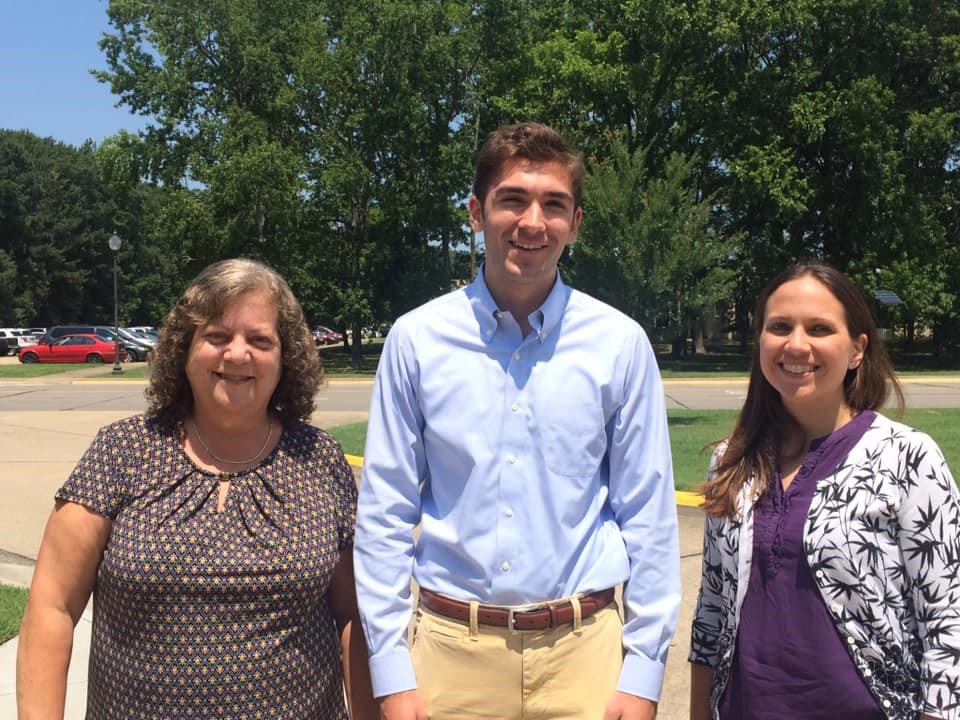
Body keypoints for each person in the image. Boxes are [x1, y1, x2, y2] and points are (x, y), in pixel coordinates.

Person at [354, 122, 681, 720]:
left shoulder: (619, 344)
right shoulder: (418, 340)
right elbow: (385, 513)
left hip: (585, 653)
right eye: (513, 200)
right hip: (452, 654)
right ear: (477, 213)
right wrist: (391, 672)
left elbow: (649, 515)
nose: (533, 222)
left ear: (575, 224)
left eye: (554, 205)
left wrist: (643, 674)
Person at [17, 258, 377, 720]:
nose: (237, 354)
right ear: (183, 350)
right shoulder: (121, 451)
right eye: (217, 336)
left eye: (260, 340)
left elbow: (352, 616)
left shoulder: (319, 460)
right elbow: (53, 608)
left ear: (286, 357)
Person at [689, 262, 960, 720]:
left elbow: (947, 623)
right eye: (779, 327)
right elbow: (711, 611)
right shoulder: (734, 462)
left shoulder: (906, 459)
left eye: (819, 328)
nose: (797, 344)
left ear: (857, 349)